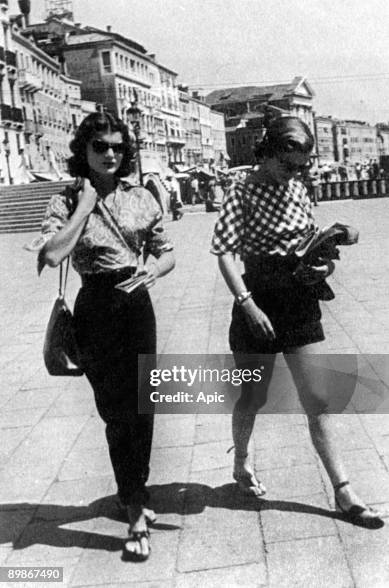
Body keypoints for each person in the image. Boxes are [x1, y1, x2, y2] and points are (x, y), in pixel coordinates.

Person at [211, 115, 383, 528]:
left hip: (299, 300)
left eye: (302, 166)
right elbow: (225, 253)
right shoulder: (242, 191)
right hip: (259, 299)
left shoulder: (300, 189)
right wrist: (248, 305)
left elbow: (308, 242)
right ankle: (241, 463)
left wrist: (323, 266)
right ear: (268, 152)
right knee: (253, 396)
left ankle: (344, 491)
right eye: (289, 165)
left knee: (319, 398)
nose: (296, 173)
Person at [37, 112, 175, 560]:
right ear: (85, 151)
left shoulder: (141, 198)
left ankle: (133, 494)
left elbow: (165, 252)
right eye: (101, 147)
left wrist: (152, 270)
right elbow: (53, 255)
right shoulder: (64, 200)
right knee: (117, 413)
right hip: (95, 308)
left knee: (143, 406)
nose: (111, 154)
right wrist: (84, 205)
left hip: (136, 305)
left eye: (117, 146)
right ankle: (134, 502)